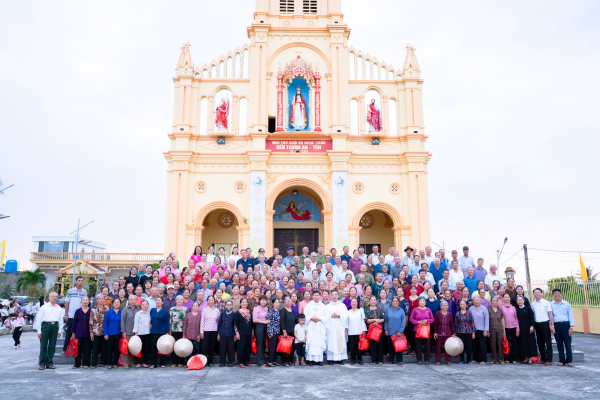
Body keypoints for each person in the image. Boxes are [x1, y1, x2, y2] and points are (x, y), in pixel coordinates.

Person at [34, 292, 64, 370]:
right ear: (49, 297)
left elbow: (61, 320)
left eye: (56, 296)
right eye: (53, 296)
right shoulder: (44, 307)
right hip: (45, 326)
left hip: (55, 326)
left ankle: (50, 363)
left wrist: (60, 330)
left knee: (52, 345)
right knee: (43, 345)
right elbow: (39, 319)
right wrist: (39, 331)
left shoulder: (59, 308)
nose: (55, 298)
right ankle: (42, 363)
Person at [63, 276, 87, 354]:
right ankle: (65, 349)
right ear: (76, 281)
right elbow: (67, 303)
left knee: (80, 332)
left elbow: (85, 303)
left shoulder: (84, 292)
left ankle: (79, 349)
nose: (80, 282)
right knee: (69, 332)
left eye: (82, 280)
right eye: (79, 280)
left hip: (81, 316)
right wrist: (66, 315)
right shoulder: (70, 291)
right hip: (71, 315)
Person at [303, 291, 329, 366]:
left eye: (318, 295)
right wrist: (311, 318)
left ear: (320, 296)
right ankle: (311, 360)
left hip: (320, 325)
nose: (316, 297)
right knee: (311, 341)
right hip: (311, 325)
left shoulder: (323, 306)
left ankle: (319, 360)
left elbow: (326, 316)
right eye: (315, 295)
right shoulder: (309, 305)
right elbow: (305, 315)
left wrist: (320, 318)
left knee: (319, 341)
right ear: (312, 296)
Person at [551, 288, 574, 367]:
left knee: (568, 344)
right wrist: (552, 326)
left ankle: (569, 360)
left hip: (566, 325)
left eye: (558, 293)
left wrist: (571, 327)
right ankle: (562, 361)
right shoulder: (551, 304)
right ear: (553, 295)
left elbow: (570, 315)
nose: (557, 295)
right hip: (556, 326)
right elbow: (550, 316)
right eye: (555, 293)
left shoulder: (566, 304)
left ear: (561, 294)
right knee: (559, 344)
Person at [531, 288, 554, 366]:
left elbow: (550, 314)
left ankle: (549, 359)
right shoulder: (533, 304)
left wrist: (551, 325)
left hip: (545, 324)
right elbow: (533, 315)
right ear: (534, 294)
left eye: (538, 292)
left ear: (541, 293)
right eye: (535, 293)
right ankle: (543, 358)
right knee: (540, 342)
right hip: (537, 325)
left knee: (548, 342)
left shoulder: (546, 303)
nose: (537, 294)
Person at [409, 297, 434, 364]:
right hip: (417, 330)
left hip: (426, 330)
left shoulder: (428, 310)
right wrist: (418, 322)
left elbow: (432, 319)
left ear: (425, 302)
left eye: (423, 301)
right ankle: (419, 359)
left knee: (427, 345)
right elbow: (411, 319)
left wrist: (427, 321)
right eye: (421, 301)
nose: (422, 302)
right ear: (418, 302)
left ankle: (427, 359)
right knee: (418, 345)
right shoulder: (415, 310)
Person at [326, 291, 348, 365]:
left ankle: (340, 359)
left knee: (340, 341)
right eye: (333, 295)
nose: (334, 296)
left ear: (338, 296)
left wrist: (339, 315)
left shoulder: (342, 305)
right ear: (331, 296)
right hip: (331, 327)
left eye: (336, 295)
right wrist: (330, 315)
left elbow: (346, 315)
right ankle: (331, 359)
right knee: (331, 342)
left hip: (340, 327)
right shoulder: (328, 306)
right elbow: (325, 316)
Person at [515, 295, 537, 363]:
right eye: (518, 300)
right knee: (523, 343)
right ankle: (526, 357)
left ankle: (530, 358)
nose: (520, 301)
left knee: (530, 343)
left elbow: (532, 317)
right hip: (520, 328)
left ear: (524, 301)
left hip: (528, 328)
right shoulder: (516, 309)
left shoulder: (528, 308)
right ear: (517, 301)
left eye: (521, 300)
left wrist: (532, 326)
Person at [385, 296, 406, 365]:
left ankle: (399, 360)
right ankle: (392, 360)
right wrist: (386, 329)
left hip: (398, 332)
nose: (395, 302)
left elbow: (403, 322)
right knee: (390, 347)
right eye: (393, 301)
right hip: (390, 331)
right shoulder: (389, 310)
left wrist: (400, 331)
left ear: (399, 302)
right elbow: (386, 321)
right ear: (392, 302)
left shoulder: (401, 311)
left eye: (396, 301)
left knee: (398, 347)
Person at [149, 297, 169, 368]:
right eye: (157, 300)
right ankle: (153, 363)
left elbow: (167, 322)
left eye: (159, 300)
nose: (158, 302)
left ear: (162, 302)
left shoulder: (165, 311)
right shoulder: (152, 310)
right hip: (153, 331)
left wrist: (167, 332)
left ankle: (162, 363)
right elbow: (150, 320)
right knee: (153, 348)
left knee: (162, 347)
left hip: (162, 332)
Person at [454, 299, 476, 364]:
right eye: (461, 304)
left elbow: (472, 323)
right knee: (461, 346)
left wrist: (473, 332)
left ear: (466, 305)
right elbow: (456, 324)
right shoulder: (458, 313)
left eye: (464, 304)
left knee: (469, 346)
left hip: (468, 331)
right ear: (460, 305)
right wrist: (455, 333)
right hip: (460, 332)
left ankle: (469, 360)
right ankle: (461, 360)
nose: (463, 305)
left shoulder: (469, 313)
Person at [500, 292, 519, 364]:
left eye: (508, 297)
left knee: (514, 343)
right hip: (505, 328)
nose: (506, 299)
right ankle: (507, 358)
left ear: (510, 298)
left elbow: (516, 318)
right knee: (506, 343)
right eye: (505, 297)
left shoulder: (513, 307)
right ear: (502, 298)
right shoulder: (500, 307)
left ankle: (514, 359)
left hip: (513, 327)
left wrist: (517, 329)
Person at [365, 296, 385, 364]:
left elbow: (383, 318)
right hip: (371, 330)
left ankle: (380, 360)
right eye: (372, 300)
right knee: (372, 345)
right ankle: (373, 360)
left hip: (379, 330)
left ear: (376, 301)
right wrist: (374, 320)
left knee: (380, 344)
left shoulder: (379, 309)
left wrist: (378, 321)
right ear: (369, 301)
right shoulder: (367, 310)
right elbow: (366, 320)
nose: (373, 301)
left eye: (374, 300)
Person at [469, 295, 489, 364]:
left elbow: (486, 319)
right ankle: (476, 359)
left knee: (482, 345)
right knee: (474, 345)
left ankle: (483, 360)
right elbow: (469, 320)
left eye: (478, 300)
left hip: (482, 329)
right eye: (475, 300)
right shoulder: (471, 308)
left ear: (480, 301)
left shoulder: (484, 308)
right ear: (473, 301)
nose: (476, 301)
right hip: (473, 330)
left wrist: (486, 330)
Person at [90, 294, 108, 368]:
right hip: (95, 331)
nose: (101, 300)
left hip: (104, 331)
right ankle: (94, 363)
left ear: (104, 300)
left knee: (104, 348)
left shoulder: (107, 309)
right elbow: (90, 322)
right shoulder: (93, 310)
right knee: (95, 348)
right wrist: (91, 333)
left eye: (102, 299)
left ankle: (103, 362)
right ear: (97, 300)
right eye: (99, 299)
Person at [103, 298, 122, 369]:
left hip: (119, 333)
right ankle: (109, 363)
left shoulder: (122, 312)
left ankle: (115, 363)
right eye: (115, 302)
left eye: (118, 302)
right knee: (109, 349)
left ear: (120, 304)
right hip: (110, 333)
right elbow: (105, 323)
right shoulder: (109, 312)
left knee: (117, 349)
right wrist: (105, 334)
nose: (116, 304)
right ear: (113, 304)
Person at [433, 300, 454, 365]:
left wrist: (452, 334)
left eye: (446, 306)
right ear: (441, 307)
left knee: (448, 347)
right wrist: (435, 332)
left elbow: (451, 325)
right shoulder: (438, 313)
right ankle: (438, 360)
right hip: (439, 332)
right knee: (438, 347)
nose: (445, 307)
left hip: (448, 333)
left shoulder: (450, 314)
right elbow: (435, 324)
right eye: (443, 305)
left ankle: (448, 360)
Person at [133, 299, 152, 368]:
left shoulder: (149, 313)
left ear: (148, 305)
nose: (144, 305)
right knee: (138, 348)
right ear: (141, 306)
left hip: (148, 333)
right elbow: (136, 324)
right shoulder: (138, 314)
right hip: (139, 333)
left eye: (146, 304)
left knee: (146, 349)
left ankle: (145, 362)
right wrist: (136, 333)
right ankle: (138, 362)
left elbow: (151, 321)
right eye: (143, 304)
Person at [217, 300, 236, 367]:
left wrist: (235, 335)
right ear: (225, 306)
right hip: (222, 333)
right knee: (222, 348)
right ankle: (222, 362)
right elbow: (219, 324)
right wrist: (218, 333)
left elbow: (235, 325)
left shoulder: (234, 314)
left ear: (232, 306)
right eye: (227, 305)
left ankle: (230, 362)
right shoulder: (222, 314)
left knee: (230, 348)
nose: (228, 306)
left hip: (231, 333)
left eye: (230, 305)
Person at [280, 297, 297, 366]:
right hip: (286, 332)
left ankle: (290, 360)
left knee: (292, 347)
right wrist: (284, 331)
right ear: (284, 303)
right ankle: (284, 361)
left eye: (290, 301)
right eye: (287, 301)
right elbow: (282, 321)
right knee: (285, 347)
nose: (289, 302)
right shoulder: (283, 310)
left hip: (292, 331)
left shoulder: (292, 310)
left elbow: (296, 320)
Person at [487, 296, 505, 364]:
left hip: (500, 329)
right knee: (492, 344)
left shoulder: (500, 310)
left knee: (500, 344)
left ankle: (501, 359)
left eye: (496, 301)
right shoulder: (488, 309)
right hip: (491, 329)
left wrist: (504, 331)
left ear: (498, 302)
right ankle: (494, 359)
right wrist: (487, 331)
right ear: (491, 302)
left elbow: (502, 320)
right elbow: (486, 320)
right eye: (493, 301)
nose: (494, 302)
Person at [266, 299, 281, 367]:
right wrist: (270, 333)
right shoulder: (271, 312)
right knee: (272, 347)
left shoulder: (278, 311)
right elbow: (269, 323)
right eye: (276, 302)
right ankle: (270, 361)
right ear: (272, 304)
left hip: (278, 331)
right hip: (272, 332)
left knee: (276, 347)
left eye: (278, 302)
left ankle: (274, 361)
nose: (277, 304)